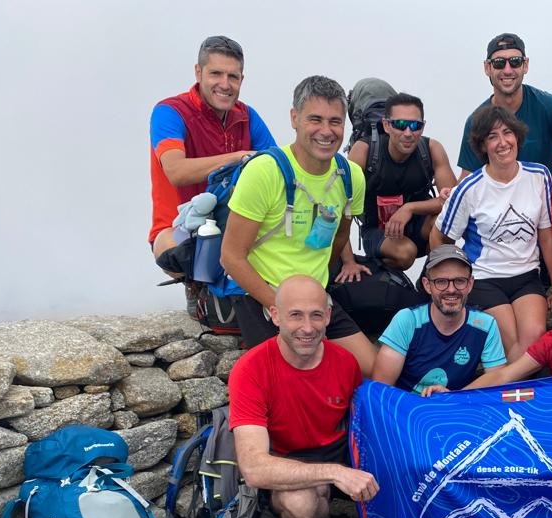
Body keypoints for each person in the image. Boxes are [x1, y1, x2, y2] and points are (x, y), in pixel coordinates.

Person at [228, 275, 378, 518]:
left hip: (335, 449)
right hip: (286, 459)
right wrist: (335, 474)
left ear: (328, 316)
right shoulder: (250, 369)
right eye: (296, 315)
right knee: (301, 505)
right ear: (275, 315)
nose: (307, 328)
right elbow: (254, 469)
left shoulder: (345, 362)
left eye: (316, 315)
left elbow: (366, 419)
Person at [220, 75, 376, 376]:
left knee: (373, 370)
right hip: (263, 294)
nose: (326, 132)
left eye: (335, 121)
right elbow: (231, 256)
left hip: (315, 296)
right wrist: (278, 307)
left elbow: (339, 239)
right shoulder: (265, 172)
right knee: (290, 381)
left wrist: (314, 295)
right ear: (294, 118)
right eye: (315, 119)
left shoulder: (350, 176)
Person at [432, 106, 552, 362]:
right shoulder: (469, 188)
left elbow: (547, 235)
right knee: (511, 340)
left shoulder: (539, 175)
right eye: (492, 137)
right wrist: (448, 280)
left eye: (507, 133)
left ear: (518, 136)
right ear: (482, 145)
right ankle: (509, 392)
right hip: (485, 277)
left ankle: (501, 386)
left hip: (527, 275)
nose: (502, 142)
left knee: (535, 334)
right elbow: (439, 237)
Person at [149, 35, 275, 259]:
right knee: (171, 245)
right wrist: (239, 157)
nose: (225, 84)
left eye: (233, 77)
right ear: (198, 72)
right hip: (181, 231)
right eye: (215, 74)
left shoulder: (248, 116)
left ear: (241, 80)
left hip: (236, 226)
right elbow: (176, 172)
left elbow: (277, 169)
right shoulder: (169, 111)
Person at [344, 92, 458, 276]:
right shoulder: (364, 151)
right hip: (378, 231)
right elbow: (341, 206)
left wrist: (409, 208)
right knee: (406, 252)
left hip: (418, 227)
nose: (408, 133)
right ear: (387, 125)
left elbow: (453, 202)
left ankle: (433, 282)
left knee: (444, 223)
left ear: (423, 127)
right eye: (400, 125)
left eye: (415, 126)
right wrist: (348, 261)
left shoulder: (431, 149)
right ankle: (386, 281)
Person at [372, 245, 507, 393]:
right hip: (407, 409)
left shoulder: (486, 325)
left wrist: (450, 399)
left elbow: (497, 383)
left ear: (470, 284)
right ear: (427, 285)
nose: (451, 289)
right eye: (441, 281)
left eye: (460, 281)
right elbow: (380, 391)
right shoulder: (407, 320)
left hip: (455, 409)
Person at [457, 33, 552, 181]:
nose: (507, 70)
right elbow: (468, 178)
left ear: (525, 65)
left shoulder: (547, 105)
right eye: (499, 63)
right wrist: (450, 194)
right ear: (487, 67)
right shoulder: (475, 121)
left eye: (515, 62)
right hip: (500, 203)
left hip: (548, 201)